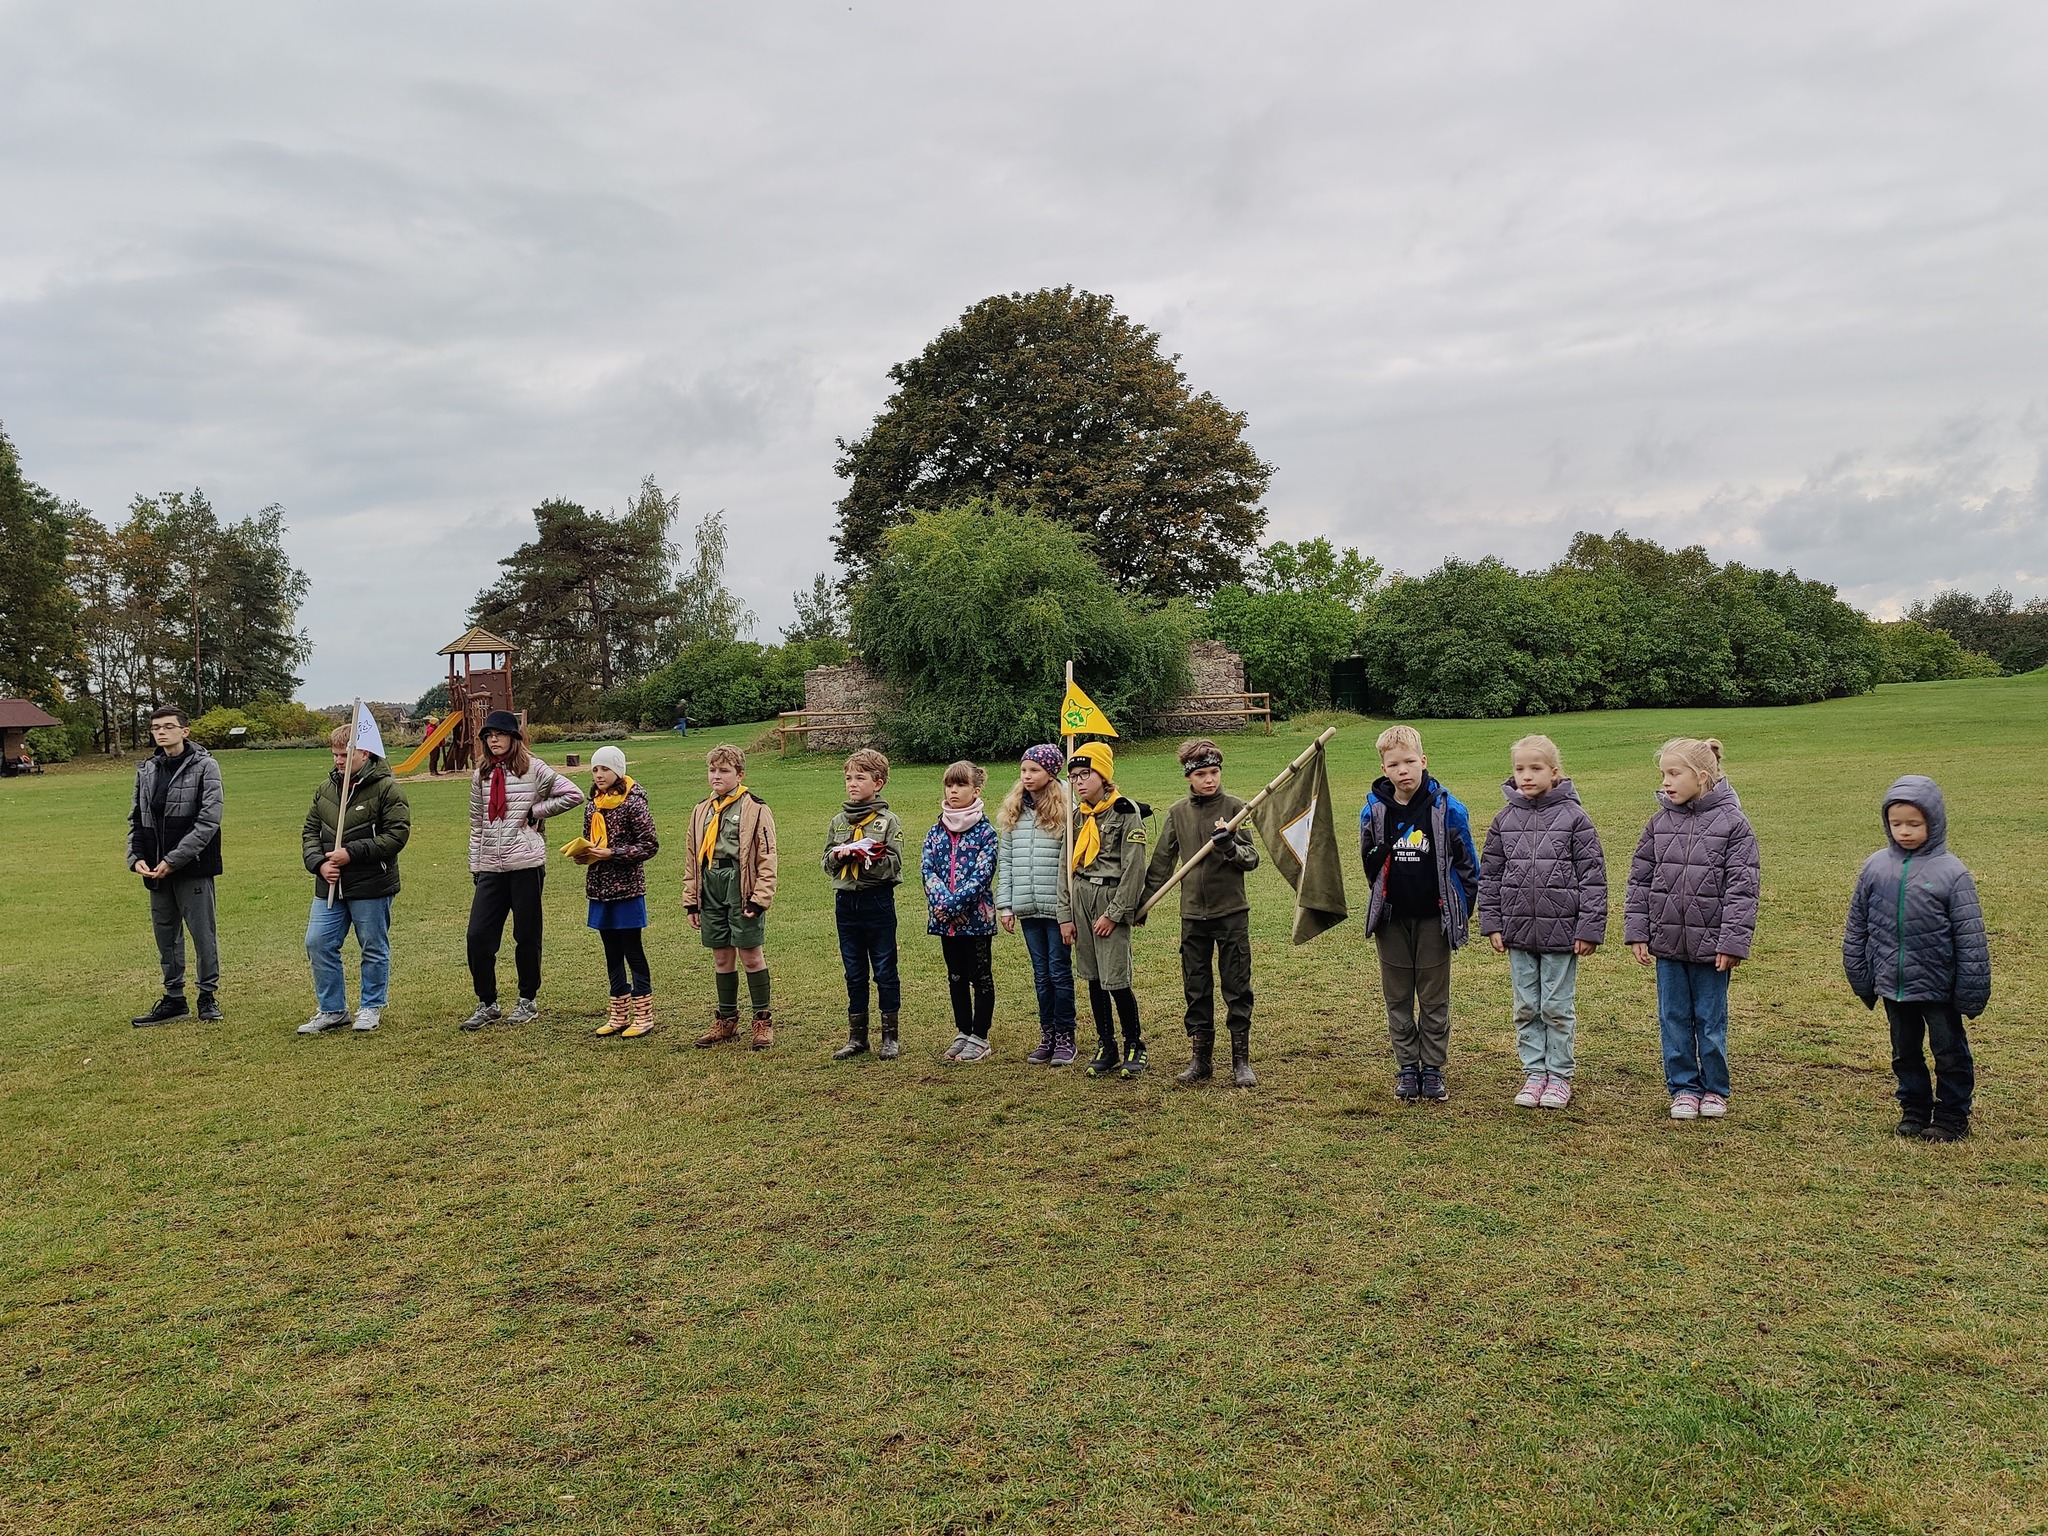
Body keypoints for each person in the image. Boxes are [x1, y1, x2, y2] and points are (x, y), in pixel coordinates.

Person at [1843, 775, 1990, 1142]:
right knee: (1904, 1052)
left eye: (1914, 823)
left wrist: (1971, 991)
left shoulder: (1952, 874)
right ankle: (1914, 1108)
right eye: (1897, 824)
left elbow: (1971, 939)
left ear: (1933, 822)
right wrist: (1861, 975)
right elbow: (1857, 925)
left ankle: (1952, 1115)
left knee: (1949, 1052)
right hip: (1893, 983)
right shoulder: (1875, 867)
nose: (1904, 831)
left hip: (1938, 987)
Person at [1625, 737, 1760, 1121]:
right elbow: (1640, 879)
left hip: (1712, 947)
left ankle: (1715, 1087)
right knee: (1673, 1017)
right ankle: (1683, 1086)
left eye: (1674, 773)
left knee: (1710, 1018)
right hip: (1667, 943)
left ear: (1701, 777)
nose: (1665, 782)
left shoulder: (1734, 824)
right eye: (1663, 774)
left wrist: (1732, 941)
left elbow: (1742, 888)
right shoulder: (1658, 823)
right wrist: (1638, 931)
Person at [1476, 734, 1607, 1109]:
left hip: (1562, 933)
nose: (1526, 776)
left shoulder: (1575, 819)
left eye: (1535, 768)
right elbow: (1491, 875)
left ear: (1554, 772)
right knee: (1525, 1007)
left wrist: (1588, 928)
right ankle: (1534, 1073)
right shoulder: (1504, 820)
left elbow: (1593, 877)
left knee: (1555, 1007)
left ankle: (1559, 1076)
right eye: (1520, 769)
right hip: (1517, 931)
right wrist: (1493, 922)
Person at [1359, 725, 1480, 1103]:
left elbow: (1468, 865)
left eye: (1410, 762)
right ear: (1383, 767)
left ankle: (1433, 1069)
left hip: (1434, 919)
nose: (1403, 771)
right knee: (1397, 998)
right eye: (1394, 764)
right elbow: (1369, 862)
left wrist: (1458, 909)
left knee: (1433, 998)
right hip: (1392, 920)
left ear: (1423, 762)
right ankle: (1407, 1067)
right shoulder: (1374, 810)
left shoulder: (1447, 808)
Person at [1142, 738, 1262, 1088]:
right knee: (1196, 986)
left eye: (1214, 772)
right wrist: (1144, 903)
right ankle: (1201, 1058)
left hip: (1231, 913)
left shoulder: (1238, 808)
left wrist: (1229, 846)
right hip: (1192, 916)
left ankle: (1241, 1060)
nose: (1209, 779)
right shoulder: (1178, 813)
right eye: (1201, 774)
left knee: (1237, 985)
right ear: (1188, 777)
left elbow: (1252, 859)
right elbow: (1161, 862)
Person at [460, 710, 584, 1031]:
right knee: (478, 937)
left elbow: (573, 794)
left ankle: (527, 999)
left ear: (514, 737)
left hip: (526, 865)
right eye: (488, 736)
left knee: (526, 935)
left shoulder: (535, 768)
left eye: (499, 735)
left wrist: (536, 811)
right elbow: (476, 823)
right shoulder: (481, 776)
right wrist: (476, 864)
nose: (493, 740)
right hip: (490, 866)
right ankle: (487, 1003)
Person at [298, 724, 411, 1033]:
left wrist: (352, 853)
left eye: (344, 755)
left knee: (373, 946)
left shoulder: (388, 789)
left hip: (372, 883)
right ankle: (332, 1010)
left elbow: (396, 836)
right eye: (334, 755)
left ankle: (371, 1007)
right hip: (330, 885)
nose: (337, 761)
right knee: (317, 942)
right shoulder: (325, 789)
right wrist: (319, 863)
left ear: (364, 753)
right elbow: (310, 831)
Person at [127, 704, 225, 1026]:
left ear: (185, 731)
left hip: (193, 866)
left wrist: (174, 859)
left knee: (202, 934)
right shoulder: (147, 769)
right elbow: (137, 819)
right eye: (156, 727)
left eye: (168, 726)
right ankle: (174, 999)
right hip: (156, 870)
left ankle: (207, 996)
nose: (161, 732)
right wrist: (136, 858)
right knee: (165, 935)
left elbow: (208, 820)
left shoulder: (206, 766)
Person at [1061, 742, 1149, 1079]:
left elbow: (1134, 869)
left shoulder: (1126, 813)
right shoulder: (1077, 816)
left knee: (1115, 978)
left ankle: (1133, 1044)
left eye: (1086, 774)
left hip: (1110, 898)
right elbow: (1063, 867)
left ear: (1104, 775)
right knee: (1093, 976)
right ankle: (1106, 1045)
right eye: (1073, 777)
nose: (1079, 782)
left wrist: (1114, 913)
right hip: (1080, 896)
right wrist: (1065, 915)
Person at [684, 743, 778, 1048]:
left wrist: (759, 898)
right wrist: (691, 900)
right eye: (712, 770)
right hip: (710, 884)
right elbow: (691, 857)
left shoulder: (755, 808)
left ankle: (761, 1021)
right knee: (722, 956)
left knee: (750, 955)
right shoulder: (701, 810)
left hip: (740, 884)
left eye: (723, 771)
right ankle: (726, 1020)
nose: (716, 776)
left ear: (739, 774)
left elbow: (767, 857)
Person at [824, 748, 905, 1061]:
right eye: (848, 778)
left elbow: (895, 864)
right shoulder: (838, 821)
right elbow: (825, 861)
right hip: (846, 902)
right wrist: (838, 855)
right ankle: (857, 1037)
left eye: (860, 778)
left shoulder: (888, 822)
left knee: (884, 969)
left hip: (877, 901)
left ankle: (890, 1037)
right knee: (853, 971)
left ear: (879, 783)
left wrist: (868, 857)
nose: (852, 784)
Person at [997, 745, 1076, 1066]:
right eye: (1024, 770)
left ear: (1051, 773)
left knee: (1059, 972)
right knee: (1041, 975)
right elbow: (1006, 861)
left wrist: (1068, 909)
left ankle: (1065, 1036)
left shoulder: (1066, 810)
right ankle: (1047, 1035)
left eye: (1034, 770)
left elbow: (1071, 863)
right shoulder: (1014, 810)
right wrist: (1005, 905)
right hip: (1027, 906)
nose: (1027, 776)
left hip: (1056, 908)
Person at [576, 745, 661, 1039]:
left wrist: (611, 853)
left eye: (605, 769)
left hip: (626, 889)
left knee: (632, 950)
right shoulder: (592, 806)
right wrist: (585, 854)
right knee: (611, 952)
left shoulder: (634, 804)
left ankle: (644, 1014)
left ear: (618, 771)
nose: (599, 775)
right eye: (595, 769)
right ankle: (619, 1013)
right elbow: (591, 841)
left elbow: (649, 845)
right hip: (599, 890)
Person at [923, 761, 999, 1062]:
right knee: (955, 976)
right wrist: (943, 905)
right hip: (946, 922)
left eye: (960, 786)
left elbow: (982, 875)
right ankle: (963, 1031)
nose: (953, 791)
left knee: (980, 976)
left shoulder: (986, 833)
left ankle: (980, 1036)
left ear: (975, 790)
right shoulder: (935, 831)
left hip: (975, 920)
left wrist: (957, 906)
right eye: (949, 785)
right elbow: (927, 869)